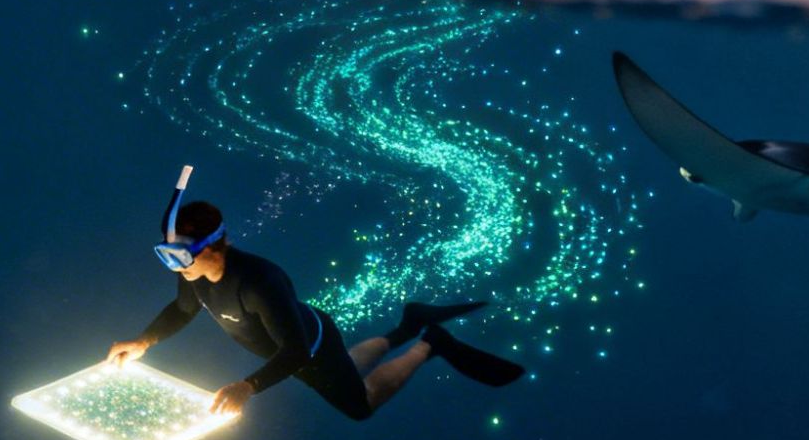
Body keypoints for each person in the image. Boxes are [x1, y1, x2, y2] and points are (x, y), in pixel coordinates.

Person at [108, 167, 525, 419]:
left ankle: (429, 343)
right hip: (298, 345)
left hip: (309, 348)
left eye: (179, 255)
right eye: (168, 255)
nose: (175, 266)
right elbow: (183, 310)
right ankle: (408, 326)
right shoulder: (193, 273)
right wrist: (144, 341)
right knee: (348, 365)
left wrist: (247, 386)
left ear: (215, 246)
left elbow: (297, 354)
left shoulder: (259, 283)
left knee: (360, 404)